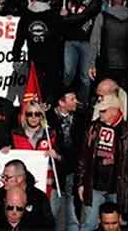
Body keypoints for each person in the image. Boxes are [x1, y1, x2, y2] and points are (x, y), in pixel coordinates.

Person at [76, 94, 128, 231]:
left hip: (118, 190)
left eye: (103, 110)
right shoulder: (94, 128)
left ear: (114, 110)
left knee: (116, 226)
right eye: (99, 110)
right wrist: (81, 183)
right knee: (89, 225)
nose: (100, 113)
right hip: (95, 188)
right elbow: (83, 157)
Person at [45, 86, 86, 231]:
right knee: (52, 214)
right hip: (56, 173)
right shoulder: (47, 119)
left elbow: (81, 146)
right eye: (72, 99)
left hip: (73, 170)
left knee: (73, 215)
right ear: (61, 103)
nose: (76, 102)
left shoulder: (81, 118)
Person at [0, 160, 54, 230]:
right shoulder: (0, 194)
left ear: (19, 179)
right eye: (3, 176)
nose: (3, 180)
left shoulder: (38, 197)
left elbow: (48, 225)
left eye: (7, 177)